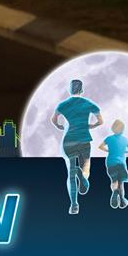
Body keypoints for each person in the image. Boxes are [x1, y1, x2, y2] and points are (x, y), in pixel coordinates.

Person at [51, 79, 103, 215]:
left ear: (70, 90)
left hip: (69, 141)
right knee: (86, 170)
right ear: (81, 90)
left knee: (71, 173)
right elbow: (100, 121)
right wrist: (91, 126)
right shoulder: (89, 104)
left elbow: (53, 119)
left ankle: (74, 205)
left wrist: (59, 126)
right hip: (84, 141)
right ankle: (83, 178)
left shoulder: (63, 105)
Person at [97, 119, 128, 209]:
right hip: (121, 163)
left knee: (114, 180)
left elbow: (100, 147)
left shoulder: (109, 138)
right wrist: (124, 151)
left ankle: (115, 192)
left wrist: (109, 150)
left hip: (110, 163)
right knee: (121, 182)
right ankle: (122, 200)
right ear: (123, 129)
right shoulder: (125, 140)